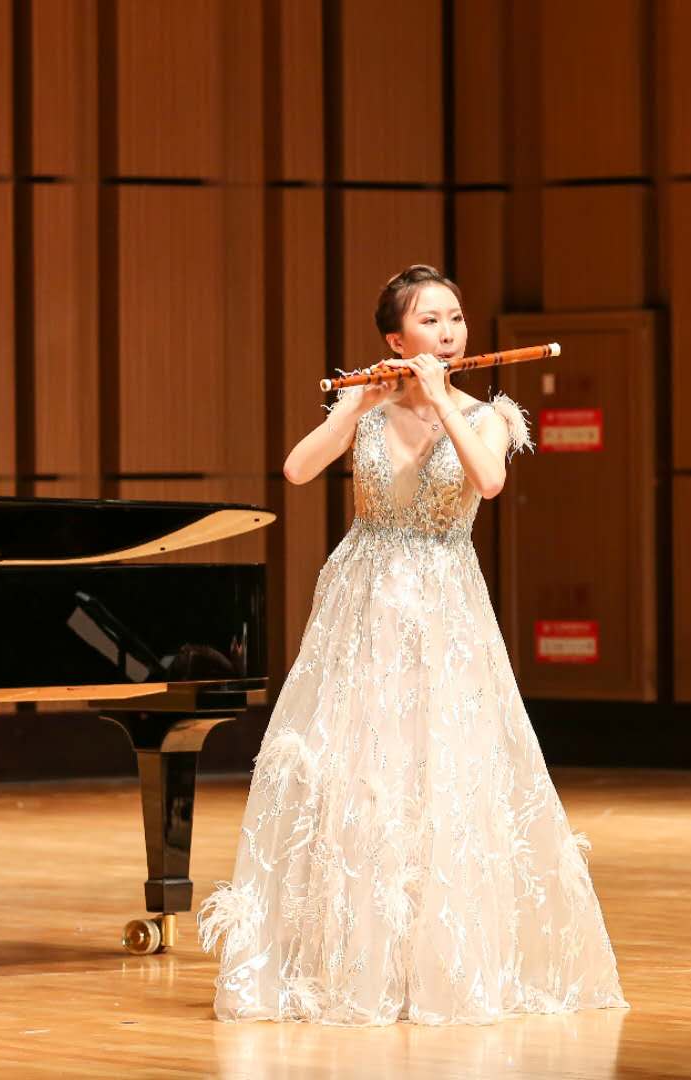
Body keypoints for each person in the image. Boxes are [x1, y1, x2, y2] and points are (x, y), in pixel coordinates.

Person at [198, 264, 627, 1025]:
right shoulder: (368, 408)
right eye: (430, 321)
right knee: (361, 771)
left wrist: (443, 403)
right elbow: (296, 471)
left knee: (442, 769)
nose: (449, 332)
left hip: (444, 602)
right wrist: (352, 408)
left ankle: (440, 968)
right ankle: (355, 966)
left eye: (455, 318)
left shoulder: (489, 414)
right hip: (361, 600)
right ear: (395, 340)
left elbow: (488, 482)